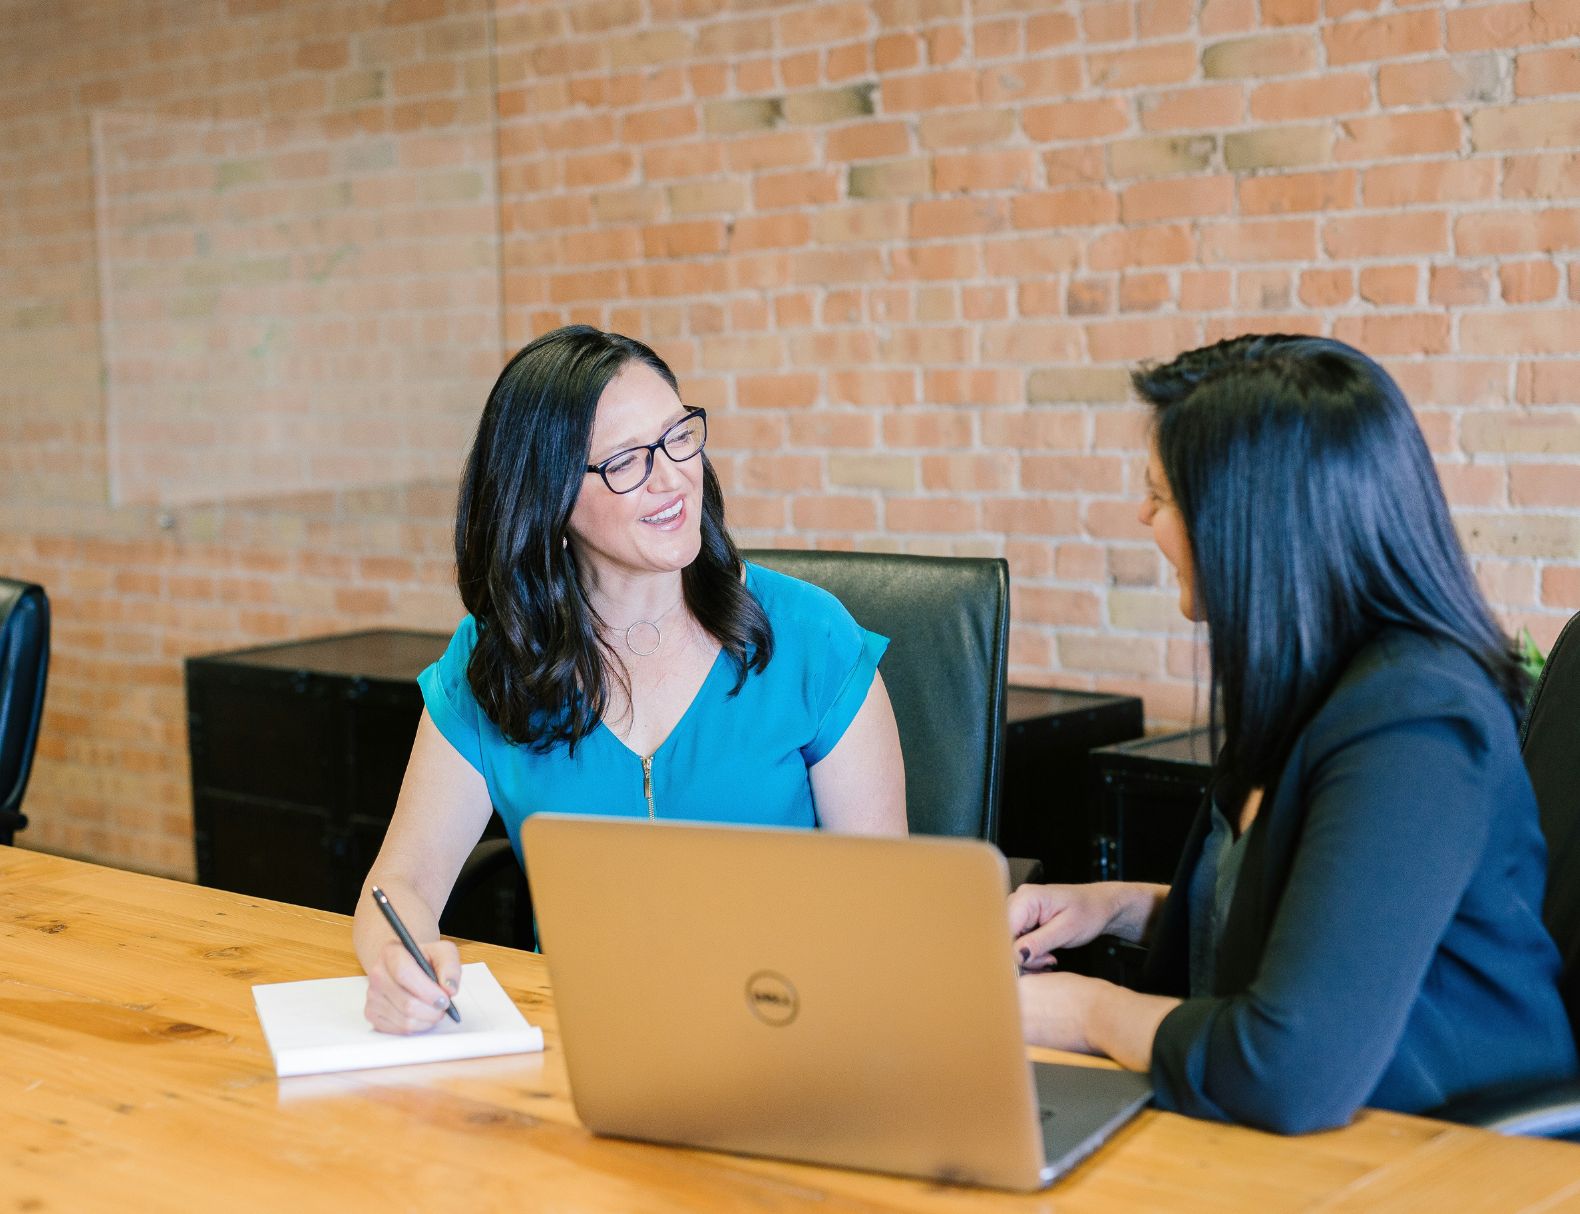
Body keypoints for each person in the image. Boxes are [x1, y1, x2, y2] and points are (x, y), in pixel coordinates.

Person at [1010, 334, 1577, 1133]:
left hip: (1449, 1151)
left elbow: (1287, 1067)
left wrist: (1085, 1012)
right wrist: (1114, 907)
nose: (1142, 516)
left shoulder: (1415, 724)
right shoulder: (1310, 685)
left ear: (1250, 524)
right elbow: (1307, 919)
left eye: (1161, 496)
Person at [355, 325, 906, 1033]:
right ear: (548, 500)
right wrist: (396, 967)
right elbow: (400, 882)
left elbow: (886, 903)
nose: (673, 476)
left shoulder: (811, 637)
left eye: (680, 437)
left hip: (787, 1028)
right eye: (625, 462)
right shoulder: (495, 662)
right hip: (579, 1037)